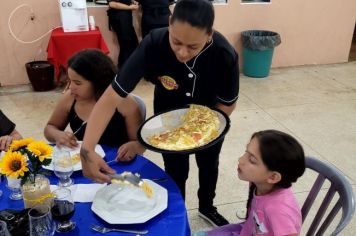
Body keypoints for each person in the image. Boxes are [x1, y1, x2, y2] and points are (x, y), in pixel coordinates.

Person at [81, 0, 239, 226]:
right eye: (176, 42)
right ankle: (178, 211)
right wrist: (86, 151)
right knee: (175, 169)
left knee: (209, 163)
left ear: (209, 35)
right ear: (169, 24)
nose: (182, 53)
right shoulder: (153, 43)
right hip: (168, 116)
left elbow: (227, 104)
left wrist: (202, 132)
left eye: (193, 47)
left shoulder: (224, 54)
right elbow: (111, 97)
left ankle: (207, 206)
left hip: (209, 120)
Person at [194, 130, 306, 236]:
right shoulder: (257, 183)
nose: (240, 159)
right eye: (246, 152)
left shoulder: (279, 211)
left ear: (273, 177)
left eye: (252, 160)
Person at [44, 49, 144, 161]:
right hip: (83, 162)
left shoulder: (125, 103)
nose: (71, 87)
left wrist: (133, 147)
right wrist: (57, 135)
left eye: (77, 83)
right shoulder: (70, 98)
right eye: (69, 81)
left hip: (116, 163)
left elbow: (141, 144)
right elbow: (49, 128)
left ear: (98, 82)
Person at [107, 0, 139, 68]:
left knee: (131, 45)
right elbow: (112, 4)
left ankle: (125, 69)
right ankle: (123, 69)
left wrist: (131, 1)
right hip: (121, 19)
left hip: (124, 19)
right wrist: (130, 7)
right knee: (127, 46)